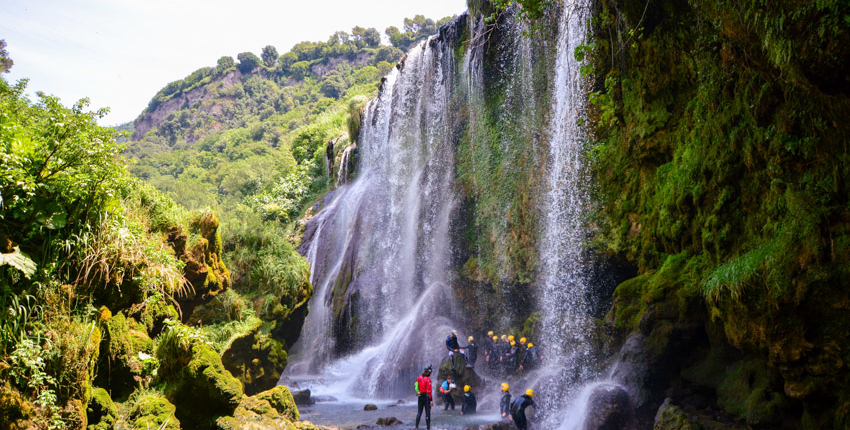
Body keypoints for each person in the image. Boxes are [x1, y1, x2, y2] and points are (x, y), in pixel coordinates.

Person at [414, 365, 433, 430]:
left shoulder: (418, 378)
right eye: (430, 372)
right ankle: (428, 428)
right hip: (426, 397)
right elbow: (429, 391)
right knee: (427, 412)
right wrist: (431, 400)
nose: (431, 373)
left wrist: (419, 392)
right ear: (428, 372)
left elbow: (415, 386)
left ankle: (416, 427)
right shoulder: (428, 380)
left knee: (419, 412)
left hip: (420, 396)